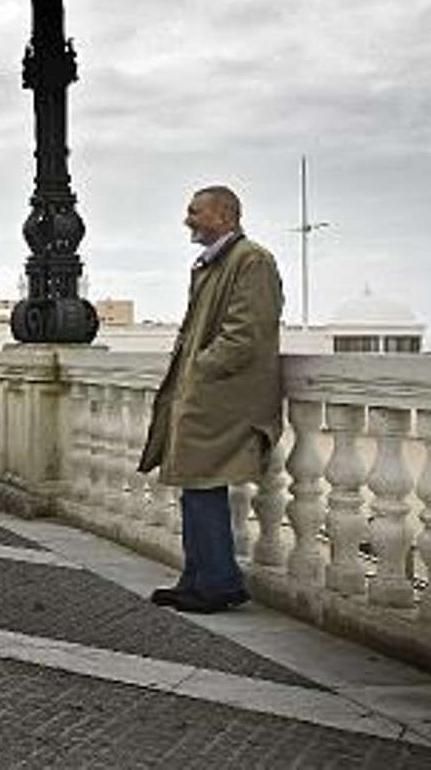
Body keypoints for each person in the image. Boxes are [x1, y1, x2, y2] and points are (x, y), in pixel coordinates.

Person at [138, 185, 283, 614]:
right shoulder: (215, 263)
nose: (188, 219)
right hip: (208, 397)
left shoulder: (251, 259)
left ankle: (217, 583)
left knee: (202, 486)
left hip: (223, 397)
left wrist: (201, 370)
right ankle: (199, 578)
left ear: (222, 214)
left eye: (194, 211)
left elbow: (246, 333)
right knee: (196, 487)